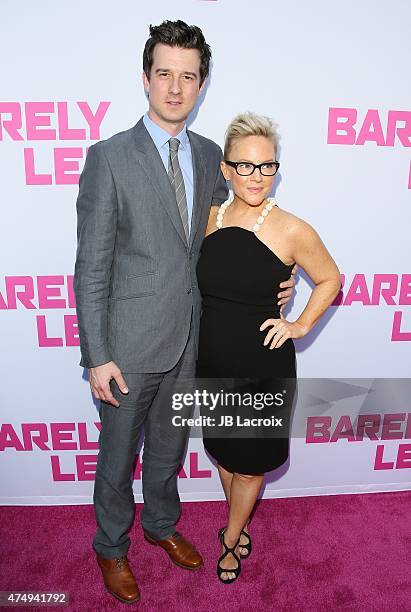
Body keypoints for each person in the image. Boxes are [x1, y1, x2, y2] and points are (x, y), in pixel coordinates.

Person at [74, 22, 295, 603]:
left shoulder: (210, 158)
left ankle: (161, 526)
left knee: (169, 451)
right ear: (145, 79)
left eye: (188, 76)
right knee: (118, 457)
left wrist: (280, 279)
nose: (175, 87)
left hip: (193, 340)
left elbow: (239, 236)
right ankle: (112, 546)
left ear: (202, 85)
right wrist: (97, 356)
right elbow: (92, 267)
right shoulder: (109, 158)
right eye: (164, 74)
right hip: (127, 346)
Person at [196, 112, 341, 583]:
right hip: (212, 360)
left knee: (251, 465)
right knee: (224, 453)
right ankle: (235, 525)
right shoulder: (209, 219)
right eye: (244, 165)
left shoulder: (291, 228)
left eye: (266, 166)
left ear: (276, 169)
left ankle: (232, 537)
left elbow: (330, 278)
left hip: (263, 366)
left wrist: (299, 324)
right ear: (225, 168)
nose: (255, 177)